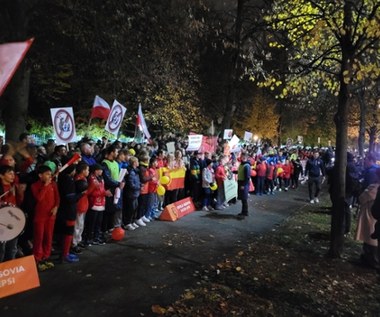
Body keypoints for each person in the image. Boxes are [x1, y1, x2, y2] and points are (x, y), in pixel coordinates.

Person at [31, 165, 60, 271]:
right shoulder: (34, 186)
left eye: (50, 174)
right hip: (40, 217)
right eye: (47, 174)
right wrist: (46, 185)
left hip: (51, 216)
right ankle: (37, 259)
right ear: (40, 175)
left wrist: (56, 207)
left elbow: (57, 198)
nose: (50, 176)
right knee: (39, 238)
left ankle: (46, 257)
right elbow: (39, 198)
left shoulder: (54, 184)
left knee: (48, 237)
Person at [0, 165, 25, 262]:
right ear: (1, 176)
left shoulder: (13, 186)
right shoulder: (3, 189)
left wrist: (19, 193)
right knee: (1, 249)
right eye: (9, 173)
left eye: (13, 173)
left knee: (12, 248)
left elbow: (18, 203)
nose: (12, 175)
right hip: (2, 224)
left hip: (12, 222)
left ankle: (10, 269)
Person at [71, 162, 90, 254]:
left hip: (84, 203)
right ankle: (74, 243)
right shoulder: (78, 180)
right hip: (79, 204)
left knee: (81, 224)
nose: (88, 171)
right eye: (87, 170)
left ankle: (78, 240)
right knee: (77, 225)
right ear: (83, 170)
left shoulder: (83, 178)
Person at [237, 152, 251, 218]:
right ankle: (243, 211)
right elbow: (240, 172)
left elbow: (247, 177)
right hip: (241, 183)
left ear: (244, 157)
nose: (240, 157)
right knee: (243, 199)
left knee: (244, 198)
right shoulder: (242, 164)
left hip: (243, 184)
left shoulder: (246, 166)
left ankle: (245, 212)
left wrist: (243, 185)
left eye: (241, 156)